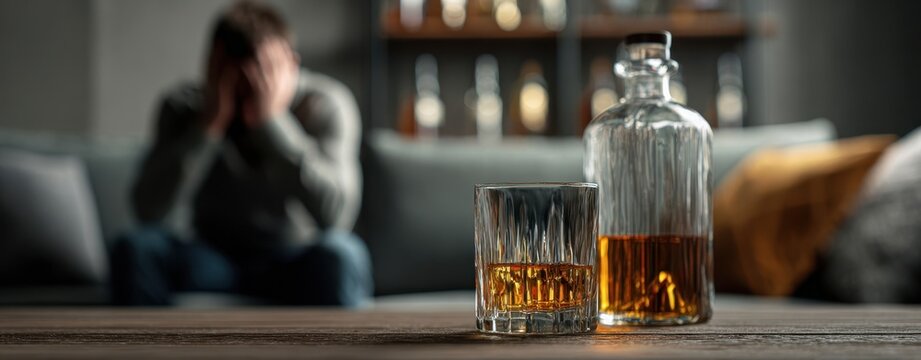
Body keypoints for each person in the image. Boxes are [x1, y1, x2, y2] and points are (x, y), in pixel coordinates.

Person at [109, 0, 371, 306]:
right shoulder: (184, 107)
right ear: (210, 68)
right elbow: (149, 212)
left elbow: (338, 216)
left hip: (295, 261)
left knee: (343, 255)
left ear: (292, 65)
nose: (248, 90)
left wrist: (272, 123)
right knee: (135, 248)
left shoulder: (326, 104)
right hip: (210, 259)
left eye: (263, 74)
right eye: (235, 79)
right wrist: (209, 126)